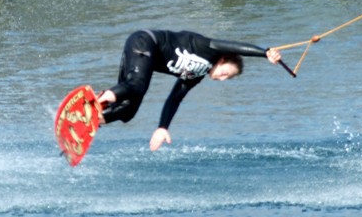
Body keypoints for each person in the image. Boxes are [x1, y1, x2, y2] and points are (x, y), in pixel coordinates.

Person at [97, 29, 282, 151]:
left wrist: (162, 127)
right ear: (222, 60)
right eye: (226, 73)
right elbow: (235, 46)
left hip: (145, 55)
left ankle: (94, 119)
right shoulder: (207, 47)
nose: (223, 78)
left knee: (128, 111)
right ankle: (97, 101)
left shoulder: (196, 75)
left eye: (227, 78)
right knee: (137, 87)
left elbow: (175, 98)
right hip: (145, 41)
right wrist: (264, 53)